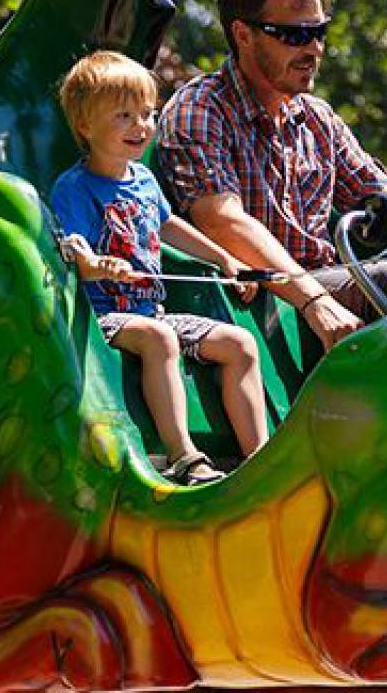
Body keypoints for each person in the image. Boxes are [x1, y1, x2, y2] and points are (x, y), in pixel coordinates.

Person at [158, 0, 387, 350]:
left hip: (320, 289)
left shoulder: (317, 119)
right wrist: (315, 300)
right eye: (295, 35)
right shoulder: (201, 108)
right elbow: (222, 223)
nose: (314, 49)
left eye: (319, 32)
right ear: (244, 35)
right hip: (256, 303)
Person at [50, 50, 270, 485]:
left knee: (239, 343)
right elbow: (71, 250)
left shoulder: (144, 181)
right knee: (160, 337)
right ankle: (184, 456)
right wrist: (96, 266)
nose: (142, 127)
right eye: (124, 116)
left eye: (148, 115)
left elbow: (168, 225)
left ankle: (261, 461)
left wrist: (223, 258)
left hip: (154, 311)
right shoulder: (73, 187)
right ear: (85, 127)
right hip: (104, 317)